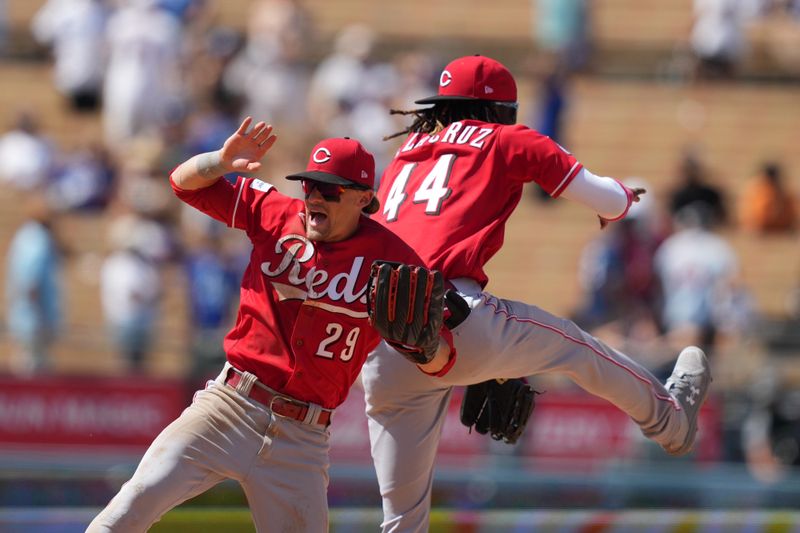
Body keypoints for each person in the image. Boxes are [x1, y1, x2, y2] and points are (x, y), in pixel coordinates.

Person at [360, 55, 714, 532]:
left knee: (401, 519)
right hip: (456, 319)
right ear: (501, 109)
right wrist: (626, 198)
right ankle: (671, 421)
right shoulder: (507, 137)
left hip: (381, 339)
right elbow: (608, 199)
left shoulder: (409, 150)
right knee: (575, 347)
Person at [87, 117, 449, 532]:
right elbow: (183, 184)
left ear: (364, 198)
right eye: (310, 185)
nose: (314, 196)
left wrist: (431, 350)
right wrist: (219, 161)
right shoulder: (276, 212)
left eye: (329, 190)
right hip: (229, 407)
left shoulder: (396, 261)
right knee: (127, 509)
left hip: (303, 438)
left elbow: (438, 348)